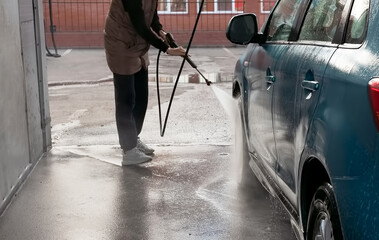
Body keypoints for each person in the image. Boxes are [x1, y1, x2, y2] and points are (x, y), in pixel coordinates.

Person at [104, 0, 186, 166]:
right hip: (120, 44)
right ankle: (129, 151)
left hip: (138, 44)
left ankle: (134, 138)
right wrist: (167, 49)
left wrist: (160, 30)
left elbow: (151, 15)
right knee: (126, 99)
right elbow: (140, 25)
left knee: (141, 96)